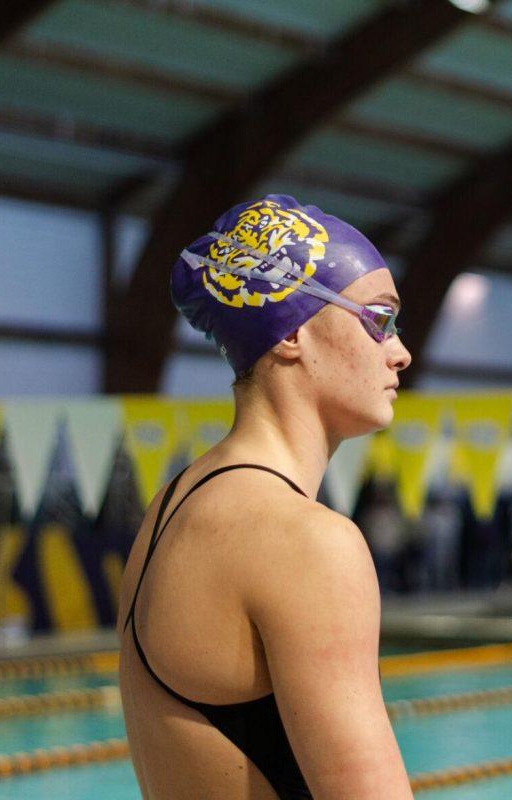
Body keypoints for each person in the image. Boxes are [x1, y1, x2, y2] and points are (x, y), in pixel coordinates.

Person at [117, 195, 413, 798]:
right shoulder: (307, 541)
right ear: (293, 334)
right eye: (379, 319)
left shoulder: (173, 504)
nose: (400, 351)